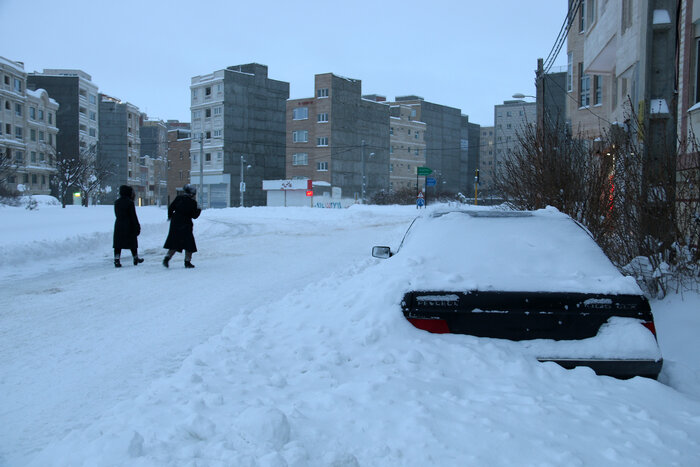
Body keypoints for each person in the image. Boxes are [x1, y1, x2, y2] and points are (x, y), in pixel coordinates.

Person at [163, 184, 201, 268]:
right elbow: (194, 216)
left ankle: (167, 258)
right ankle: (187, 262)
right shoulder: (192, 203)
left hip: (175, 223)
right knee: (189, 244)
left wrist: (170, 217)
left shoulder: (178, 198)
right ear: (192, 193)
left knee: (175, 242)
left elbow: (171, 208)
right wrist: (199, 209)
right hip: (186, 224)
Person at [113, 185, 144, 268]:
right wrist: (137, 227)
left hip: (119, 224)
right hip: (129, 224)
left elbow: (116, 213)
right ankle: (135, 258)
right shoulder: (130, 202)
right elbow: (133, 216)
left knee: (118, 244)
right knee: (132, 242)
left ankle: (116, 260)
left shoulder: (117, 202)